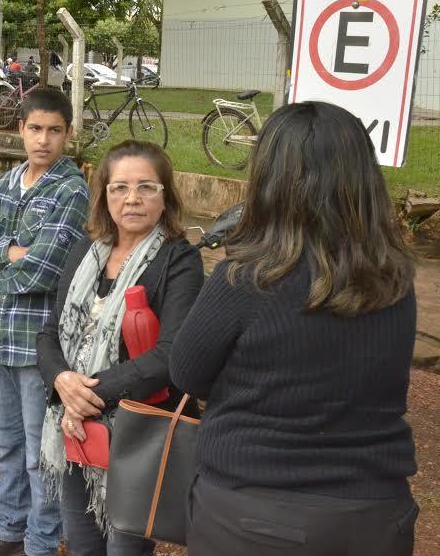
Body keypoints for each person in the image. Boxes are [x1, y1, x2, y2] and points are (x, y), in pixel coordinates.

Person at [171, 101, 419, 556]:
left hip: (256, 517)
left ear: (269, 181)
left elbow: (186, 373)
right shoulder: (396, 280)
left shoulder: (244, 281)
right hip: (376, 514)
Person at [36, 140, 202, 556]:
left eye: (147, 187)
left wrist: (83, 394)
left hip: (136, 432)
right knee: (81, 542)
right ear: (104, 195)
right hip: (76, 428)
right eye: (119, 188)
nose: (132, 199)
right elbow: (49, 333)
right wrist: (61, 381)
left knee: (125, 548)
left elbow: (170, 355)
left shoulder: (179, 261)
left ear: (166, 197)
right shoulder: (85, 252)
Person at [0, 88, 90, 556]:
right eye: (36, 129)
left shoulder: (71, 189)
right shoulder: (8, 181)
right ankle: (7, 530)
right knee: (7, 444)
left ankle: (40, 541)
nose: (44, 140)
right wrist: (11, 252)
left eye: (55, 130)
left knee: (41, 453)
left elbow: (46, 268)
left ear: (68, 135)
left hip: (40, 342)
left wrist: (2, 257)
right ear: (21, 130)